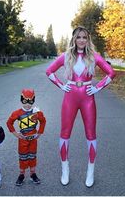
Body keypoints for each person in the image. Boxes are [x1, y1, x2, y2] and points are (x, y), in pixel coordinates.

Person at [46, 26, 116, 187]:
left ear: (88, 39)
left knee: (91, 134)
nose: (82, 40)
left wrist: (97, 87)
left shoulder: (94, 56)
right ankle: (65, 169)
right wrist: (61, 85)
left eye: (84, 37)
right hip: (70, 97)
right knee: (65, 133)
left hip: (88, 98)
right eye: (79, 37)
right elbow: (49, 71)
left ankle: (90, 171)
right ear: (74, 39)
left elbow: (111, 73)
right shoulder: (66, 56)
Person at [6, 89, 46, 186]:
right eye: (25, 101)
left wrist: (39, 133)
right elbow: (9, 123)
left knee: (32, 156)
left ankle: (33, 174)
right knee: (23, 157)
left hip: (33, 139)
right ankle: (21, 175)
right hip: (23, 139)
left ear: (33, 101)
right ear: (21, 100)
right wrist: (15, 133)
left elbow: (43, 121)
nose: (28, 104)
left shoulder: (37, 112)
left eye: (30, 101)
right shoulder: (17, 113)